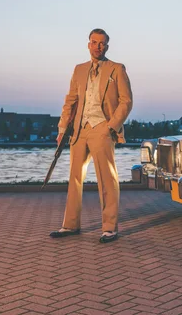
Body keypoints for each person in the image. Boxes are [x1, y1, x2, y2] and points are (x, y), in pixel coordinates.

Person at [50, 28, 133, 243]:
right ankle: (70, 225)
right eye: (94, 42)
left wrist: (110, 126)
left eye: (102, 43)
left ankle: (109, 228)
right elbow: (70, 101)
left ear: (107, 46)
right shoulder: (79, 70)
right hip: (79, 129)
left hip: (102, 128)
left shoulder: (117, 69)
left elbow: (126, 101)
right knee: (74, 178)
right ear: (88, 44)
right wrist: (62, 129)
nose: (98, 46)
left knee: (107, 178)